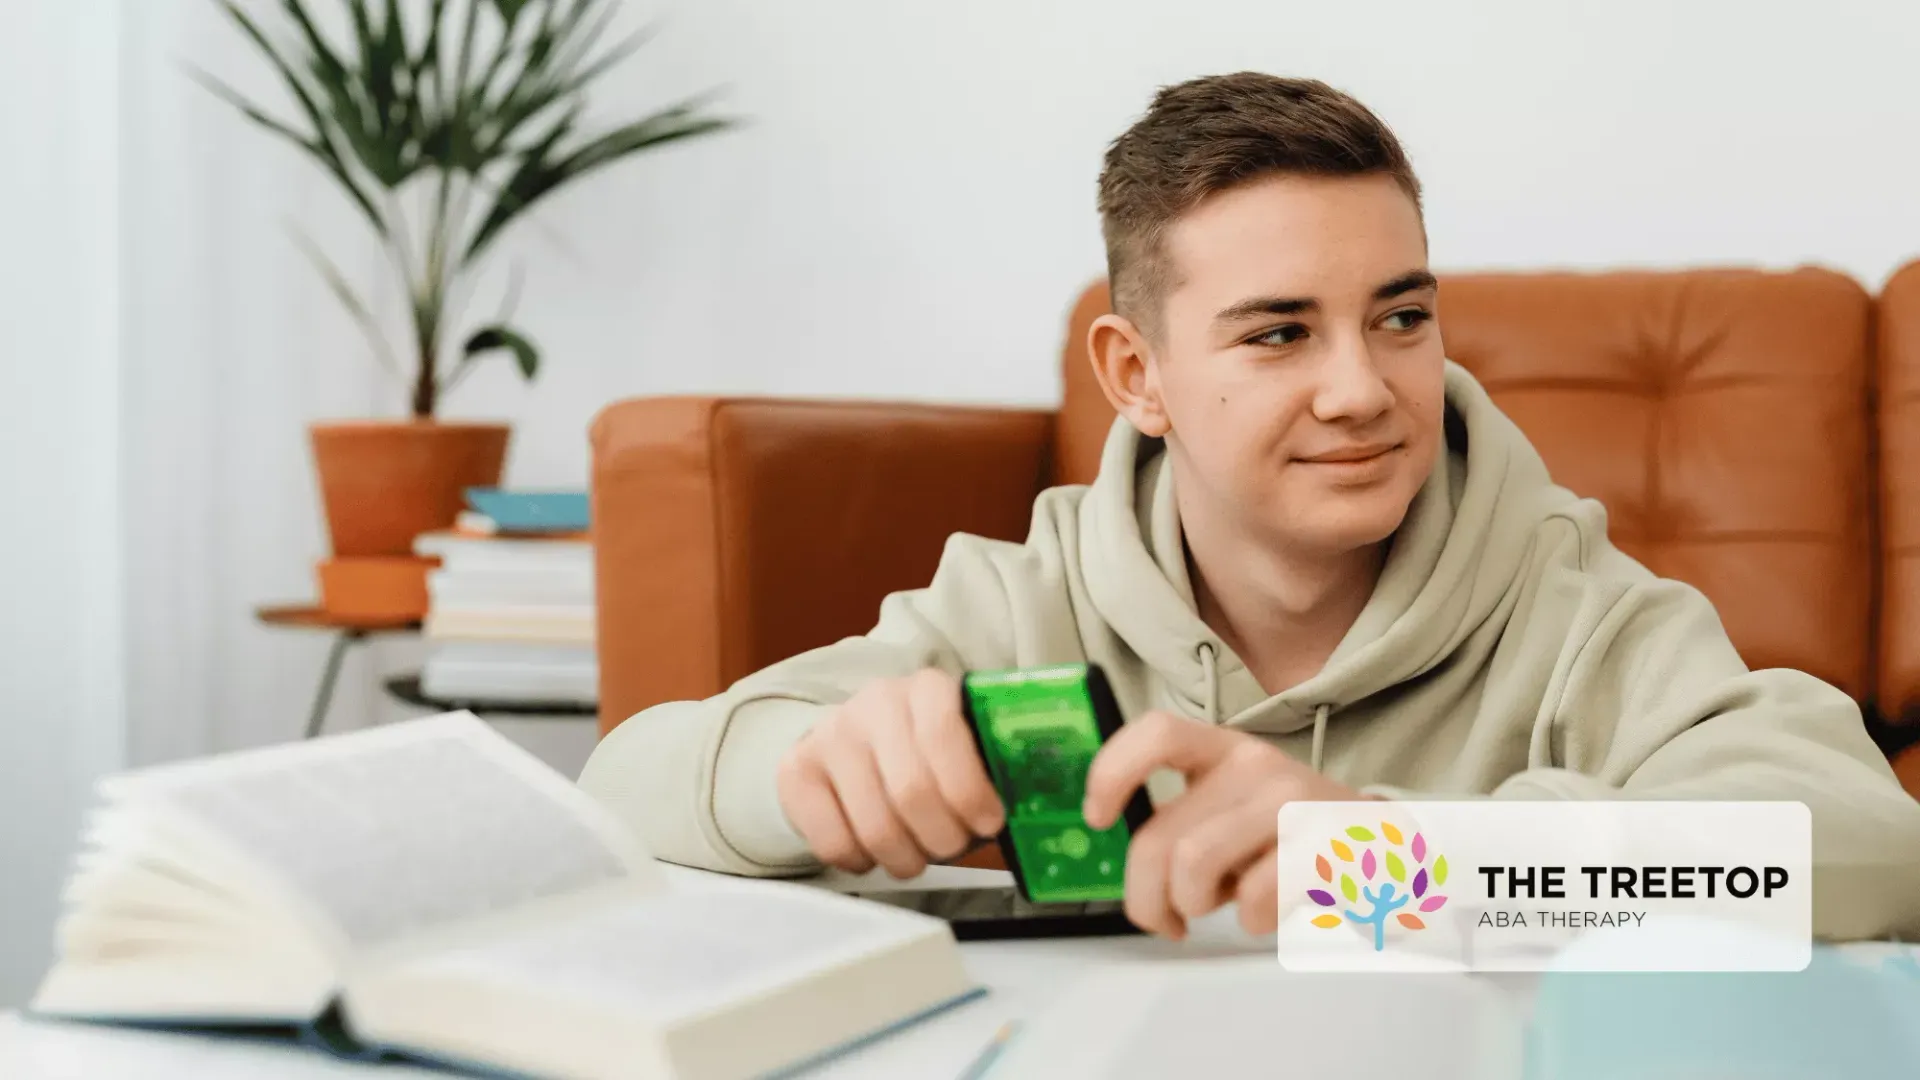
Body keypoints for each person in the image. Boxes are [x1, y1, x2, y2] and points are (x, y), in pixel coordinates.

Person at [579, 72, 1920, 941]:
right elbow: (622, 790)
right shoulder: (1020, 599)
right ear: (1136, 375)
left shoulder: (1570, 605)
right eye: (1279, 334)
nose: (1366, 390)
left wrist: (1395, 864)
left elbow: (1873, 854)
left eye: (1401, 316)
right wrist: (805, 777)